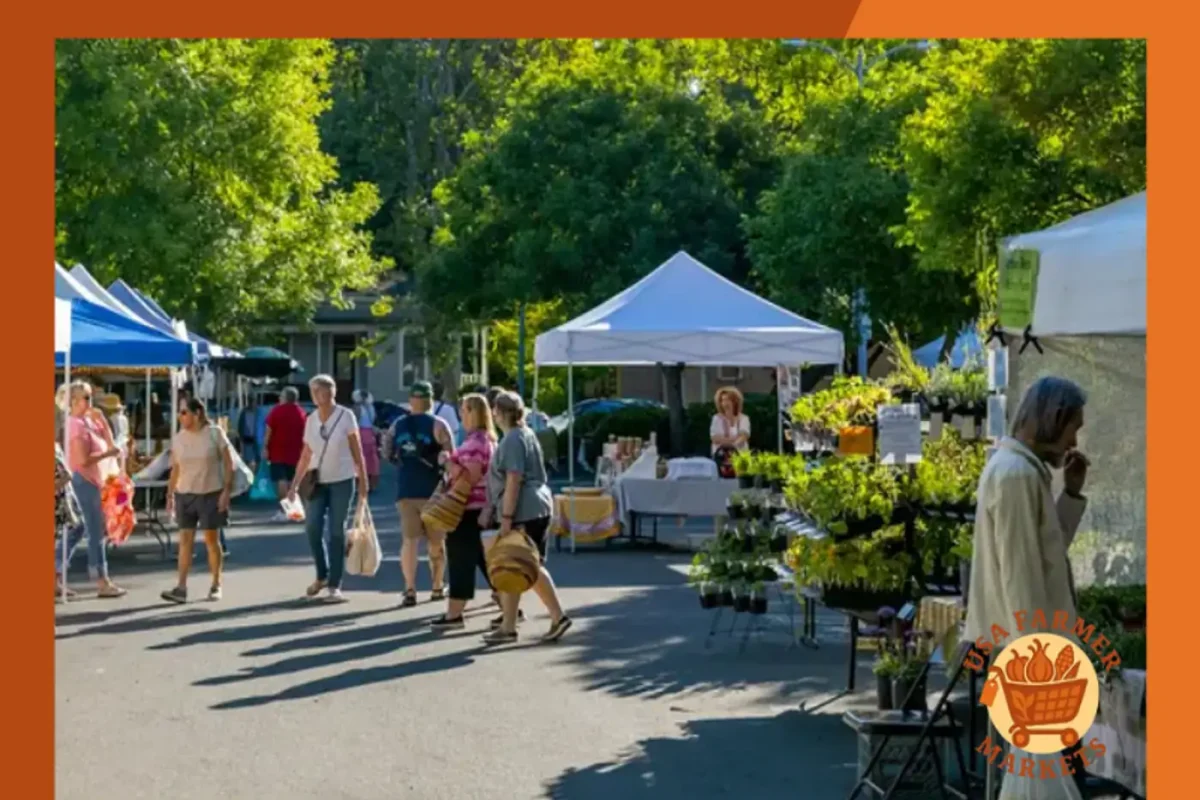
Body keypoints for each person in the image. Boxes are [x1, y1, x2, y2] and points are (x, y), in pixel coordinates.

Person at [965, 376, 1090, 800]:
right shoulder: (1016, 475)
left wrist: (1070, 493)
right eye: (1074, 425)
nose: (1076, 437)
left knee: (1034, 776)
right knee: (1037, 774)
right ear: (1053, 420)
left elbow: (1043, 554)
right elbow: (1021, 574)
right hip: (1029, 646)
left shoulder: (1017, 470)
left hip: (1023, 641)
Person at [482, 390, 572, 645]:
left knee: (524, 562)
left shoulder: (511, 440)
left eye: (495, 411)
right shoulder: (525, 434)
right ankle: (509, 626)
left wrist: (507, 516)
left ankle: (557, 616)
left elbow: (514, 478)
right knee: (517, 563)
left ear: (499, 413)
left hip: (524, 509)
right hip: (537, 506)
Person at [288, 374, 369, 603]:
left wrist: (363, 481)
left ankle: (335, 584)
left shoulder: (346, 416)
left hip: (342, 479)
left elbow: (357, 450)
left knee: (336, 531)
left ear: (330, 393)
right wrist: (294, 483)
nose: (315, 395)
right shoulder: (311, 419)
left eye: (319, 391)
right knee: (312, 527)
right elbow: (306, 454)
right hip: (317, 482)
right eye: (313, 391)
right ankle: (321, 575)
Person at [429, 393, 497, 630]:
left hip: (467, 507)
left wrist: (447, 462)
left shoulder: (477, 442)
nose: (461, 413)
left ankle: (454, 614)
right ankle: (508, 604)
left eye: (465, 409)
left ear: (475, 412)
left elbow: (471, 475)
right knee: (483, 558)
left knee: (459, 559)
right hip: (476, 508)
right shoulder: (483, 439)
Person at [386, 380, 454, 607]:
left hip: (406, 490)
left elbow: (387, 452)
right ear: (430, 400)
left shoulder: (397, 425)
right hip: (434, 492)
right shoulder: (439, 424)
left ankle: (410, 589)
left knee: (410, 541)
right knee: (436, 542)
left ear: (411, 400)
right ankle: (436, 586)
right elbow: (451, 456)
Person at [162, 398, 234, 604]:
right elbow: (175, 468)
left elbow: (229, 463)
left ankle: (216, 584)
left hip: (210, 492)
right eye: (179, 412)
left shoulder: (214, 433)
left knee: (212, 540)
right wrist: (169, 494)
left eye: (184, 412)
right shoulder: (179, 438)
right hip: (185, 494)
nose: (180, 416)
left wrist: (226, 491)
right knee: (185, 541)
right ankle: (181, 587)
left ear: (197, 413)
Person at [60, 381, 127, 598]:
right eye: (87, 398)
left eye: (91, 397)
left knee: (78, 529)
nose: (91, 402)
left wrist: (104, 424)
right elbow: (82, 460)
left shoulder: (89, 421)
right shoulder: (75, 424)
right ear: (73, 401)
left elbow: (110, 446)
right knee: (94, 531)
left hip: (95, 481)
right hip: (83, 480)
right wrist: (108, 455)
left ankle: (55, 573)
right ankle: (101, 579)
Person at [264, 387, 308, 522]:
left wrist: (265, 447)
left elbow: (269, 430)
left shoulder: (276, 411)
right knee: (294, 482)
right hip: (297, 452)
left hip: (277, 451)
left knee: (281, 481)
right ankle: (297, 511)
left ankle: (285, 510)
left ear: (284, 397)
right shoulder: (301, 412)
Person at [54, 441, 85, 600]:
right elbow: (66, 474)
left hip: (63, 500)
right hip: (62, 500)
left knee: (77, 529)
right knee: (76, 529)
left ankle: (56, 577)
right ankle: (56, 576)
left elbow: (66, 475)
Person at [352, 389, 381, 493]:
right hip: (369, 434)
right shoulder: (370, 407)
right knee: (370, 460)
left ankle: (361, 484)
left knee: (360, 459)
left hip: (362, 434)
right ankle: (369, 484)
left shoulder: (358, 408)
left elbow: (355, 422)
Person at [709, 386, 751, 456]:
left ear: (735, 401)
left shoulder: (744, 418)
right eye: (722, 400)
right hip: (720, 456)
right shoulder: (716, 418)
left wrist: (731, 446)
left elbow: (743, 437)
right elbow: (715, 438)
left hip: (740, 456)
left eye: (728, 400)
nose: (725, 403)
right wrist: (733, 440)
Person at [96, 393, 131, 471]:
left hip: (114, 449)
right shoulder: (123, 418)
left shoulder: (111, 419)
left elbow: (114, 435)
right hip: (122, 449)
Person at [433, 381, 463, 445]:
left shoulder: (423, 409)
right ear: (442, 393)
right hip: (443, 446)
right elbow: (455, 430)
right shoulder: (448, 409)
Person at [237, 397, 259, 468]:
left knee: (256, 458)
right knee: (247, 458)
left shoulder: (257, 411)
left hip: (255, 437)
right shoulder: (244, 412)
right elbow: (240, 425)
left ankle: (254, 471)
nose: (252, 403)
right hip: (247, 437)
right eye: (251, 401)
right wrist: (241, 436)